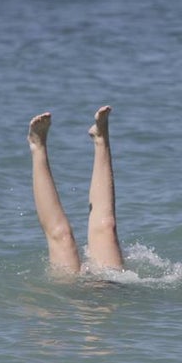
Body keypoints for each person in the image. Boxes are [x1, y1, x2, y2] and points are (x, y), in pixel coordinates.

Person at [27, 106, 123, 275]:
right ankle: (101, 139)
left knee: (63, 236)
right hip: (111, 290)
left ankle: (39, 146)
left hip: (74, 292)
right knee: (104, 229)